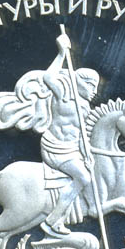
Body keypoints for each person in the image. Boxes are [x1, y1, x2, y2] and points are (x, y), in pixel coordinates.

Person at [39, 33, 100, 237]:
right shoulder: (63, 94)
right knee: (83, 177)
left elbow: (81, 135)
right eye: (91, 85)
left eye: (96, 87)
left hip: (72, 150)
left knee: (87, 173)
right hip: (54, 147)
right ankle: (52, 221)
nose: (94, 91)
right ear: (79, 82)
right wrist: (61, 53)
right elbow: (48, 78)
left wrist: (87, 154)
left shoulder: (86, 108)